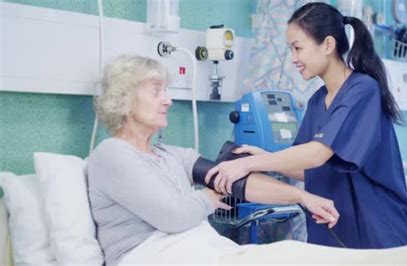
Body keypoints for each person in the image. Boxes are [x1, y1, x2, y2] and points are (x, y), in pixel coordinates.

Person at [87, 54, 339, 265]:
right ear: (125, 101)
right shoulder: (112, 154)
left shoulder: (171, 155)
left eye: (166, 91)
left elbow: (236, 181)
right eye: (156, 92)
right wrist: (208, 197)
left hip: (195, 249)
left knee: (292, 255)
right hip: (149, 255)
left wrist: (302, 197)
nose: (168, 100)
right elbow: (173, 216)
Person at [205, 2, 407, 249]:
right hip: (336, 229)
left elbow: (316, 154)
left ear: (327, 45)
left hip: (377, 228)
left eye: (298, 48)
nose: (293, 58)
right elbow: (311, 170)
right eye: (290, 49)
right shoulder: (318, 101)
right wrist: (268, 157)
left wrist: (247, 164)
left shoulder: (363, 90)